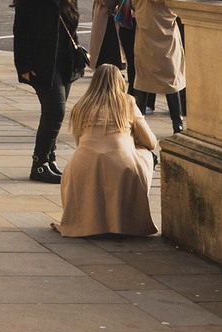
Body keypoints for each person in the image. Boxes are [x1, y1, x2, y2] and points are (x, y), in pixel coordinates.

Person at [55, 63, 159, 237]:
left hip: (82, 164)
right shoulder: (128, 102)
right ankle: (122, 220)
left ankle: (90, 222)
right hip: (122, 164)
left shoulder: (82, 106)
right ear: (119, 82)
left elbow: (79, 141)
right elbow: (151, 142)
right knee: (146, 153)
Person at [12, 0, 85, 182]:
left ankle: (49, 159)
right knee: (55, 111)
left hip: (64, 64)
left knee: (54, 113)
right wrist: (23, 64)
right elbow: (20, 33)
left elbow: (71, 31)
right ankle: (39, 163)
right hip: (42, 64)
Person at [129, 0, 187, 131]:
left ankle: (139, 124)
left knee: (143, 83)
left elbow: (134, 10)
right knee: (172, 84)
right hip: (168, 43)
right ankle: (177, 123)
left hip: (145, 42)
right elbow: (179, 13)